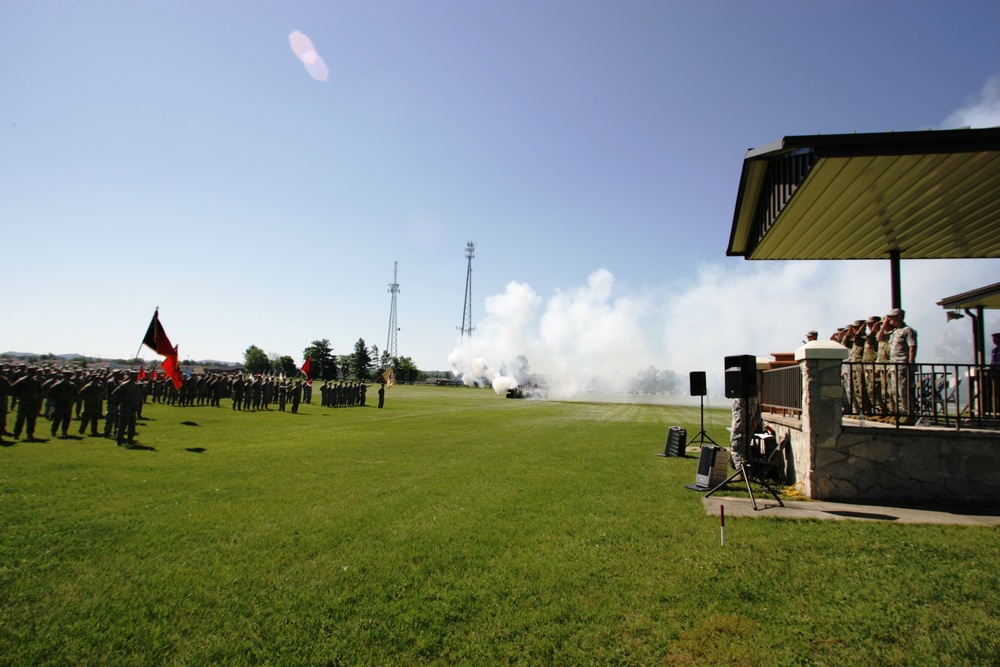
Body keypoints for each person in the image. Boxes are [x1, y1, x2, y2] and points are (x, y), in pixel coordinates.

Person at [886, 308, 918, 424]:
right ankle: (899, 414)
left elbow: (912, 347)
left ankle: (908, 414)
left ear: (899, 316)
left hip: (902, 365)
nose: (889, 319)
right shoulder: (895, 331)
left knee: (903, 391)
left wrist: (910, 362)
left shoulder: (907, 330)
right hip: (894, 365)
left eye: (891, 316)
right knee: (894, 391)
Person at [11, 366, 44, 441]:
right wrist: (21, 396)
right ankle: (16, 434)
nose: (34, 373)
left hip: (33, 403)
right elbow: (13, 388)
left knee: (32, 419)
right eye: (32, 371)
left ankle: (30, 434)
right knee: (20, 419)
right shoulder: (22, 380)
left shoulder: (36, 381)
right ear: (28, 372)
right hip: (24, 403)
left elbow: (40, 391)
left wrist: (37, 398)